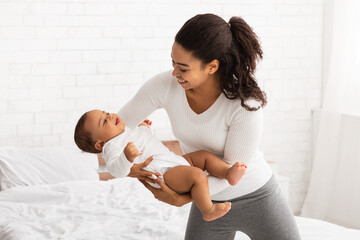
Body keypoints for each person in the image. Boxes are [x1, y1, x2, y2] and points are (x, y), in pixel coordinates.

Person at [115, 13, 302, 240]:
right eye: (173, 63)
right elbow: (119, 126)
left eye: (183, 68)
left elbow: (232, 171)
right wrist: (128, 168)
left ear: (212, 66)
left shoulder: (244, 103)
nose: (175, 73)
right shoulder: (165, 86)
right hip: (210, 202)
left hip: (257, 197)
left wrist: (182, 197)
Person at [74, 109, 248, 221]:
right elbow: (116, 170)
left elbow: (144, 142)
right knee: (197, 176)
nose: (110, 116)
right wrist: (126, 157)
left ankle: (227, 172)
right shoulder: (111, 147)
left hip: (173, 160)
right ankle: (207, 210)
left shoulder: (125, 132)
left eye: (106, 113)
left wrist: (144, 128)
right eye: (104, 122)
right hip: (164, 172)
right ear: (99, 144)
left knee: (202, 156)